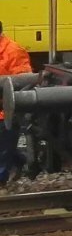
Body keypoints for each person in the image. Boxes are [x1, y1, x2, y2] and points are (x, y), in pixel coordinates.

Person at [0, 21, 29, 183]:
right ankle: (18, 160)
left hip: (6, 110)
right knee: (4, 147)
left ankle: (1, 179)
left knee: (3, 148)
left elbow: (22, 82)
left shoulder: (14, 51)